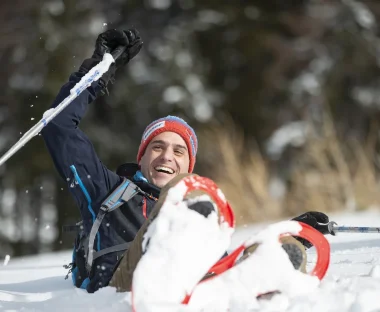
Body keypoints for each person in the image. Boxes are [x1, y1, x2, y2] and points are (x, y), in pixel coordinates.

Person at [41, 29, 334, 296]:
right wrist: (98, 71)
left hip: (190, 285)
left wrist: (295, 231)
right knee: (188, 206)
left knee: (244, 246)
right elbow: (59, 127)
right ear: (141, 156)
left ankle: (278, 258)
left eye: (179, 151)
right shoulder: (107, 191)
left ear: (189, 165)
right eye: (157, 147)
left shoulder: (192, 210)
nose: (167, 156)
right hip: (122, 288)